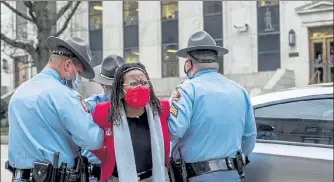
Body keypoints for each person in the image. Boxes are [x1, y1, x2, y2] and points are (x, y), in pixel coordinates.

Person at [6, 36, 104, 181]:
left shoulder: (20, 91)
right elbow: (92, 140)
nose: (79, 79)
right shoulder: (64, 95)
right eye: (79, 72)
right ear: (68, 65)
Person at [168, 31, 257, 182]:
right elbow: (249, 138)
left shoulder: (186, 90)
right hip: (233, 175)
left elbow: (173, 131)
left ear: (189, 63)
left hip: (195, 176)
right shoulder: (239, 90)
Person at [90, 63, 170, 182]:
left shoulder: (162, 109)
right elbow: (92, 143)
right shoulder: (103, 112)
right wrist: (109, 156)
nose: (140, 87)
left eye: (144, 83)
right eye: (133, 84)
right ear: (120, 90)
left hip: (154, 177)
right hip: (116, 178)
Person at [81, 55, 125, 180]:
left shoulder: (132, 108)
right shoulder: (91, 106)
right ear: (103, 85)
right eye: (111, 86)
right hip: (95, 173)